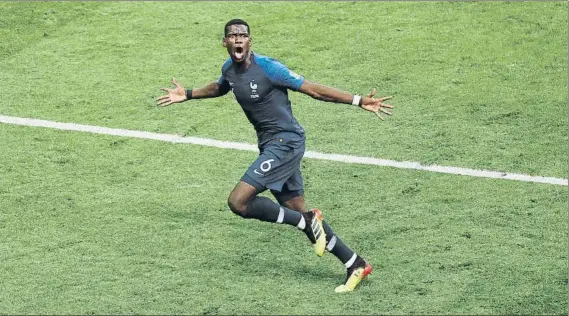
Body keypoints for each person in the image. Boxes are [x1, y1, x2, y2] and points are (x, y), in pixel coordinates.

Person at [157, 19, 393, 293]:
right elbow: (221, 86)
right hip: (271, 145)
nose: (237, 39)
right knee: (296, 211)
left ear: (250, 41)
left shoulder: (269, 68)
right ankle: (355, 263)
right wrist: (187, 94)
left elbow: (313, 89)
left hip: (286, 143)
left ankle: (308, 220)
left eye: (243, 35)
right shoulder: (229, 70)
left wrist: (357, 100)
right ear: (224, 43)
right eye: (232, 36)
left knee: (239, 202)